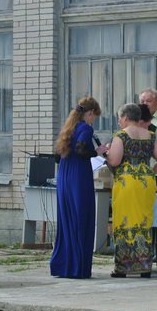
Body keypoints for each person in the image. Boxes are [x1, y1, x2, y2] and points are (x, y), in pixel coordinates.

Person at [50, 96, 109, 279]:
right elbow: (82, 149)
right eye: (94, 116)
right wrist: (97, 152)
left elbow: (57, 156)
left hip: (64, 176)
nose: (94, 120)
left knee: (67, 220)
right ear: (89, 113)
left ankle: (62, 265)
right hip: (78, 178)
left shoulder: (68, 128)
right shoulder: (85, 128)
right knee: (81, 218)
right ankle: (78, 268)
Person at [106, 103, 157, 278]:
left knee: (124, 221)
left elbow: (115, 161)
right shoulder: (151, 135)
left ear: (125, 117)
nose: (119, 122)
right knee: (144, 222)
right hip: (146, 182)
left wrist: (107, 155)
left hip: (127, 182)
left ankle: (123, 267)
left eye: (119, 118)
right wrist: (149, 173)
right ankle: (145, 266)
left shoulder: (121, 136)